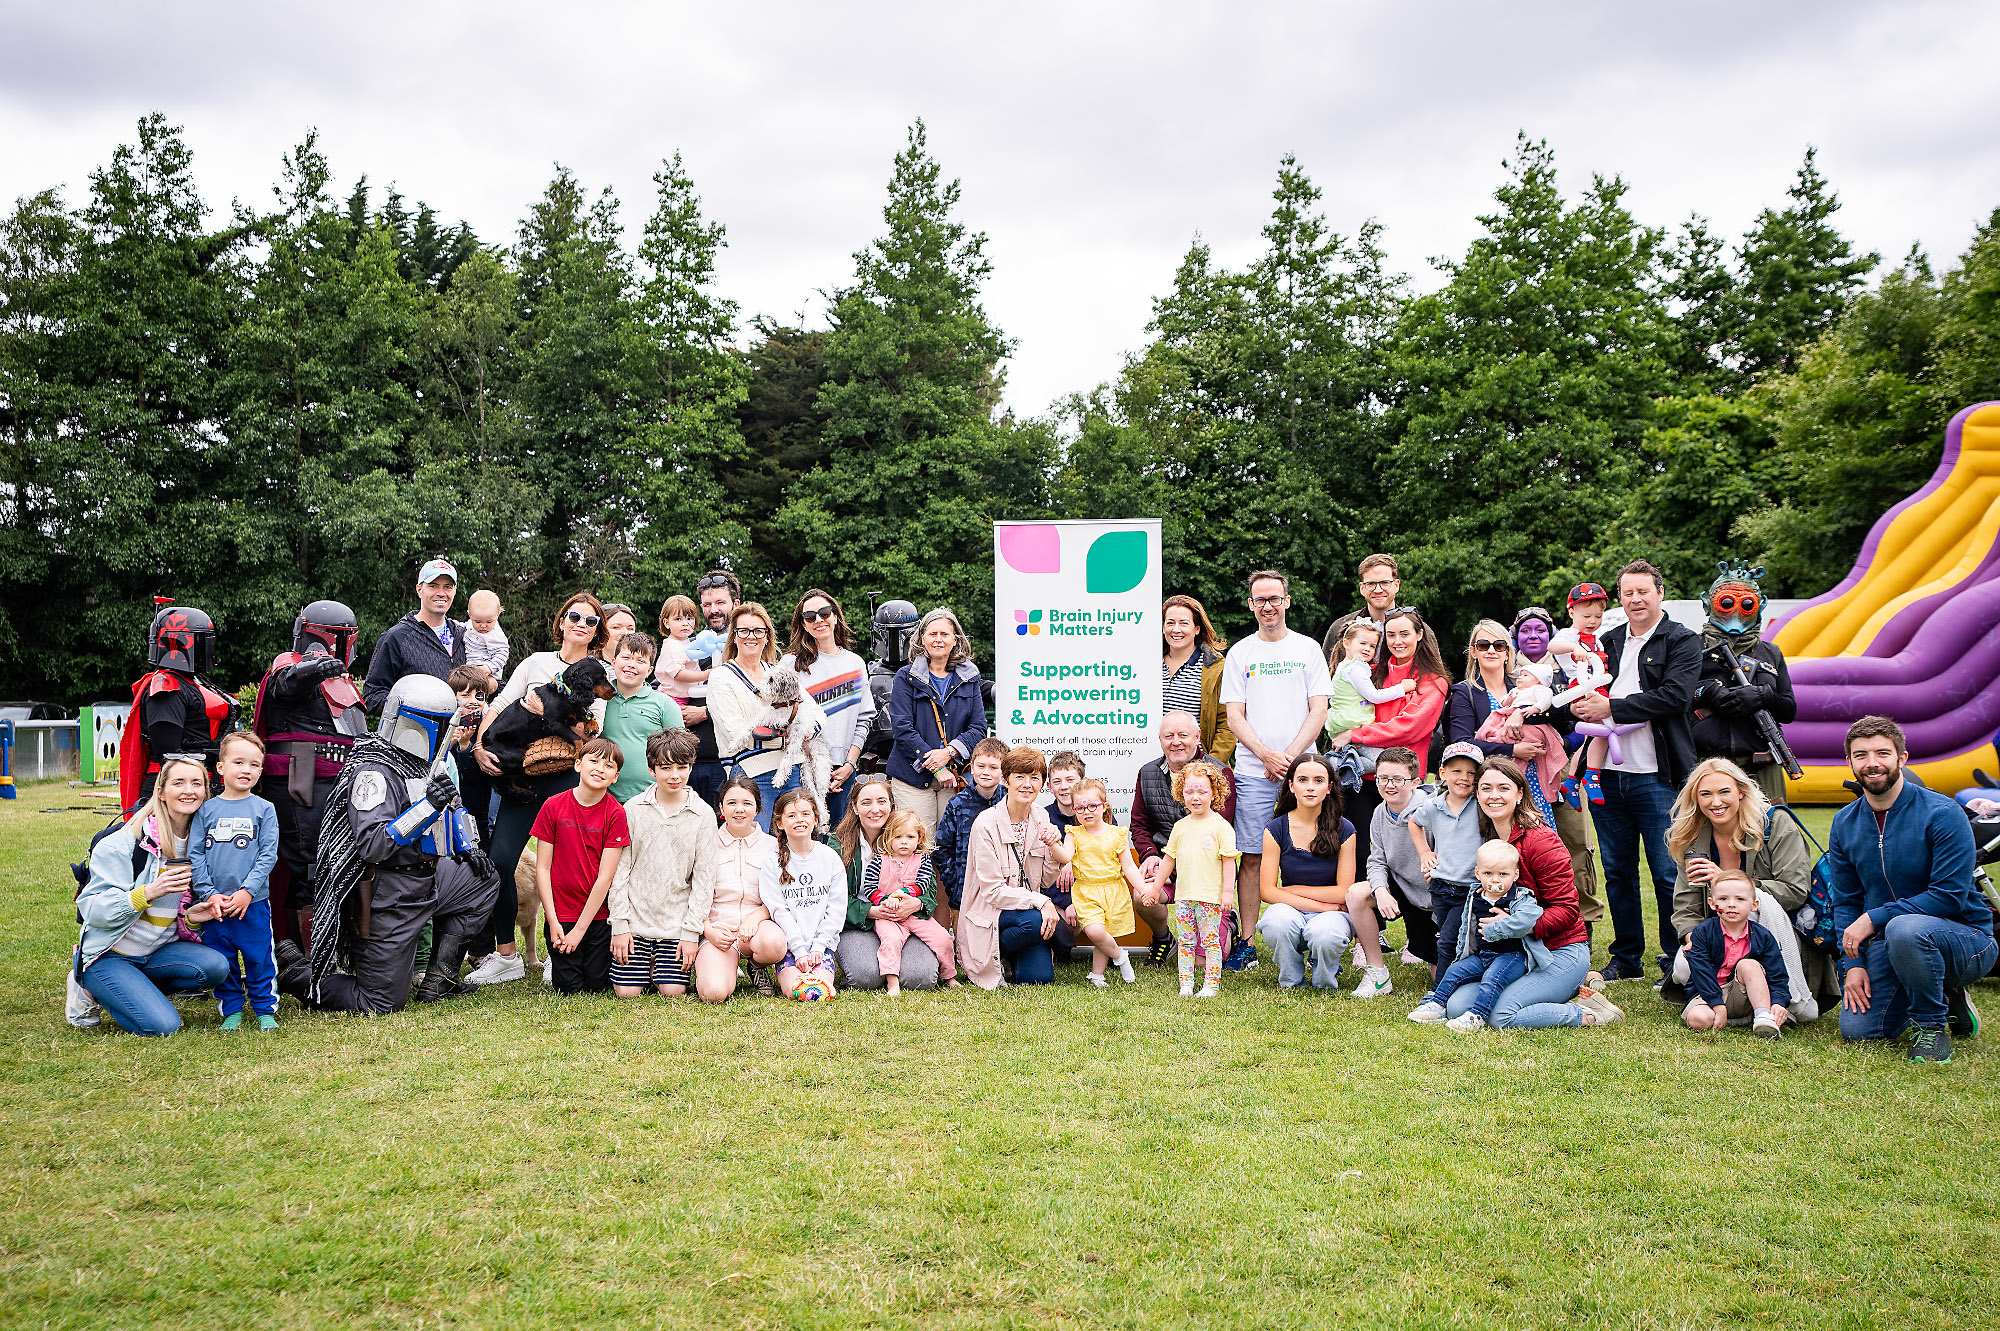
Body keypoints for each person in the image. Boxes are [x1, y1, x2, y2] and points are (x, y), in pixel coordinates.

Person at [281, 675, 499, 1013]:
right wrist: (427, 807)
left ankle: (440, 980)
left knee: (481, 880)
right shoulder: (372, 770)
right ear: (413, 721)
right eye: (438, 724)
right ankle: (301, 975)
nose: (443, 732)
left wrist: (468, 844)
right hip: (386, 893)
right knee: (380, 1001)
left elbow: (453, 806)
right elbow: (374, 845)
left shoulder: (420, 763)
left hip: (427, 877)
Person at [1829, 716, 1997, 1063]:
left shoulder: (1943, 813)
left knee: (1904, 927)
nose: (1871, 763)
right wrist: (1853, 964)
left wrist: (1874, 918)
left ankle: (1931, 1026)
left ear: (1902, 758)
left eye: (1882, 753)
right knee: (1859, 1032)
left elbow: (1949, 896)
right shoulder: (1844, 821)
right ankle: (1940, 990)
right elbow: (1846, 899)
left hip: (1966, 940)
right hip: (1894, 944)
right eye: (1860, 755)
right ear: (1850, 762)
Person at [463, 591, 610, 988]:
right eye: (574, 616)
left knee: (570, 868)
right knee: (500, 861)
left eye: (591, 620)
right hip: (522, 778)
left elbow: (591, 731)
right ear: (562, 621)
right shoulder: (535, 662)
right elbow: (500, 704)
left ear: (598, 631)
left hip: (565, 777)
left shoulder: (599, 671)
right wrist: (479, 746)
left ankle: (558, 951)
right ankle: (507, 956)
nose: (581, 624)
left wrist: (545, 710)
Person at [1567, 561, 1702, 984]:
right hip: (1604, 772)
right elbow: (1585, 683)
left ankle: (1672, 957)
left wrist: (1612, 708)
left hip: (1657, 775)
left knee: (1666, 871)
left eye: (1643, 591)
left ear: (1660, 593)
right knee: (1618, 870)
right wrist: (1579, 705)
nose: (1635, 599)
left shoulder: (1682, 641)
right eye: (1627, 593)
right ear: (1619, 598)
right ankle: (1626, 957)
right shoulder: (1607, 639)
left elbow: (1676, 697)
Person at [1449, 758, 1622, 1029]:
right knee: (1457, 1006)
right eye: (1486, 788)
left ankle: (1588, 1013)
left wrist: (1513, 926)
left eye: (1503, 788)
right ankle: (1554, 994)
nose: (1494, 796)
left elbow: (1567, 910)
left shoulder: (1541, 841)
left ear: (1519, 794)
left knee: (1499, 1017)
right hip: (1513, 955)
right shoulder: (1486, 838)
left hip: (1559, 949)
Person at [1220, 570, 1333, 971]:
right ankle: (1247, 943)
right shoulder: (1240, 653)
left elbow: (1319, 709)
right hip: (1254, 772)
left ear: (1287, 600)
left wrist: (1289, 758)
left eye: (1274, 598)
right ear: (1251, 605)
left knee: (1318, 851)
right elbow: (1234, 715)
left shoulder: (1307, 649)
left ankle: (1321, 934)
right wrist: (1267, 756)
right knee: (1251, 857)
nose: (1268, 606)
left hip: (1305, 771)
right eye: (1259, 600)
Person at [73, 756, 231, 1035]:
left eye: (197, 783)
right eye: (178, 783)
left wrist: (195, 915)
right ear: (161, 791)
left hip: (158, 951)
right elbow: (93, 910)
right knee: (163, 1026)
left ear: (206, 791)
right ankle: (88, 987)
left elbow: (181, 912)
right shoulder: (123, 843)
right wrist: (148, 892)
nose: (188, 790)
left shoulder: (205, 843)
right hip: (111, 953)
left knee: (215, 967)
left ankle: (133, 987)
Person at [1664, 757, 1822, 1019]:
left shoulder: (1775, 823)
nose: (1716, 802)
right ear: (1696, 799)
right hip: (1717, 935)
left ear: (1741, 791)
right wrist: (1694, 939)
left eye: (1724, 792)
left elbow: (1795, 891)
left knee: (1752, 909)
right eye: (1706, 794)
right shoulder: (1692, 837)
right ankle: (1735, 998)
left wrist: (1725, 879)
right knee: (1682, 966)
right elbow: (1686, 905)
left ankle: (1772, 997)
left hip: (1774, 932)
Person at [250, 599, 367, 945]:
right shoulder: (290, 666)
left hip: (335, 782)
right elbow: (288, 683)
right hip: (301, 785)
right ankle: (309, 959)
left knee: (331, 865)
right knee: (310, 868)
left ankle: (324, 951)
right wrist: (317, 665)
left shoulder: (342, 681)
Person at [1504, 605, 1605, 938]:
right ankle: (1537, 919)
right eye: (1526, 630)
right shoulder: (1509, 675)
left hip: (1563, 770)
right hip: (1518, 775)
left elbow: (1584, 719)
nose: (1534, 636)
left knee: (1575, 843)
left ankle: (1583, 919)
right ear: (1516, 637)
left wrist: (1558, 742)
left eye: (1541, 630)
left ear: (1551, 635)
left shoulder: (1569, 668)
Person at [1325, 607, 1450, 875]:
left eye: (1405, 633)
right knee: (1357, 853)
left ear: (1419, 635)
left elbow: (1409, 727)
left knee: (1408, 857)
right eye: (1391, 635)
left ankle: (1416, 913)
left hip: (1402, 781)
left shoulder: (1432, 681)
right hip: (1360, 777)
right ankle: (1363, 914)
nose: (1397, 641)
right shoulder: (1370, 674)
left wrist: (1357, 734)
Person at [609, 729, 715, 1000]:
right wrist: (620, 926)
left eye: (682, 767)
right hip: (636, 920)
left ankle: (659, 965)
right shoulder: (632, 809)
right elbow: (620, 870)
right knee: (626, 993)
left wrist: (691, 933)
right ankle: (643, 965)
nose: (675, 775)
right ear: (651, 769)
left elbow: (704, 879)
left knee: (673, 991)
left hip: (676, 923)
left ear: (691, 767)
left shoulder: (702, 814)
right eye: (666, 768)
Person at [188, 732, 280, 1031]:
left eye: (254, 764)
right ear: (220, 768)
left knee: (258, 957)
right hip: (215, 907)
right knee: (223, 959)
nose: (246, 770)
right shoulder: (206, 810)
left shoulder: (264, 809)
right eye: (238, 762)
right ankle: (231, 1010)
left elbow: (268, 856)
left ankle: (265, 1009)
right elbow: (196, 855)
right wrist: (209, 894)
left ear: (261, 771)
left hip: (251, 904)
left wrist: (247, 892)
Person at [1128, 712, 1236, 964]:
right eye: (1169, 736)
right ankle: (1164, 939)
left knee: (1203, 962)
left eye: (1183, 735)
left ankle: (1227, 925)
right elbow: (1139, 825)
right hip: (1167, 865)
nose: (1176, 741)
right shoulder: (1147, 773)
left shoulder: (1220, 773)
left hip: (1206, 872)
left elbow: (1221, 831)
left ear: (1197, 737)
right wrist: (1151, 856)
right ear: (1160, 740)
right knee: (1141, 895)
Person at [960, 747, 1071, 990]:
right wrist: (1041, 902)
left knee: (1039, 979)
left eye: (1034, 777)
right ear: (1005, 779)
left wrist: (1053, 847)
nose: (1027, 784)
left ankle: (1010, 957)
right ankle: (994, 953)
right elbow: (992, 893)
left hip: (1025, 911)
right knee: (1033, 922)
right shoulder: (986, 824)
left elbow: (1046, 880)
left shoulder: (1041, 816)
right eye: (1019, 776)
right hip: (993, 912)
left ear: (1043, 783)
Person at [1408, 840, 1548, 1032]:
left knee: (1492, 979)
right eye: (1488, 873)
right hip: (1484, 954)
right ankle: (1438, 1004)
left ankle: (1477, 1015)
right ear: (1477, 873)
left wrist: (1502, 925)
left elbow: (1530, 919)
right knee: (1455, 971)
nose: (1495, 880)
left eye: (1503, 874)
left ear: (1515, 875)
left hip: (1512, 956)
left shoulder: (1519, 897)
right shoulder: (1476, 895)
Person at [1690, 561, 1798, 807]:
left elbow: (1789, 710)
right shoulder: (1690, 648)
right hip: (1706, 765)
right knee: (1705, 841)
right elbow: (1673, 699)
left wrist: (1765, 696)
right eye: (1726, 602)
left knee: (1769, 833)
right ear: (1708, 603)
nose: (1735, 610)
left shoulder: (1771, 653)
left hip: (1761, 767)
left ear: (1761, 606)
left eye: (1747, 603)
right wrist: (1706, 692)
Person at [709, 601, 824, 832]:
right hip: (750, 774)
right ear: (733, 635)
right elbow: (735, 734)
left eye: (758, 631)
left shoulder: (778, 673)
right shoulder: (721, 677)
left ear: (767, 636)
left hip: (793, 769)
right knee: (754, 848)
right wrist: (790, 738)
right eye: (743, 630)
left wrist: (809, 729)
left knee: (796, 848)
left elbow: (816, 712)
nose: (751, 636)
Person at [530, 737, 630, 995]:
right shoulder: (553, 805)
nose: (599, 769)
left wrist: (580, 931)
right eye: (593, 761)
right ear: (578, 765)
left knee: (596, 986)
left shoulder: (615, 813)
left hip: (597, 918)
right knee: (569, 989)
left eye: (608, 766)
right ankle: (557, 960)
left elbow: (605, 878)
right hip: (561, 915)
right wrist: (552, 921)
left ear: (615, 777)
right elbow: (542, 868)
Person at [1255, 754, 1358, 991]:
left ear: (1329, 788)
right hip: (1296, 910)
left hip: (1331, 915)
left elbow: (1344, 892)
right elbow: (1267, 892)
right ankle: (1291, 978)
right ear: (1291, 785)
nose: (1310, 787)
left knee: (1324, 933)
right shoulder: (1275, 828)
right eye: (1302, 779)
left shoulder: (1345, 829)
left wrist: (1293, 890)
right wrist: (1323, 905)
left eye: (1318, 780)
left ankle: (1324, 980)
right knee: (1275, 921)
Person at [886, 606, 988, 838]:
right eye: (933, 634)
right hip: (912, 777)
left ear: (956, 639)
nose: (938, 639)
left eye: (944, 634)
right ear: (922, 638)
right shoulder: (906, 676)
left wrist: (949, 753)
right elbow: (902, 729)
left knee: (951, 846)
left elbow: (978, 727)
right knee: (918, 843)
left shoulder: (969, 677)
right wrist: (937, 766)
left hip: (954, 778)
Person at [121, 604, 235, 808]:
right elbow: (169, 751)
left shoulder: (191, 682)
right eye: (202, 640)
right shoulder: (166, 685)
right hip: (175, 789)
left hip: (198, 783)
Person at [835, 776, 941, 992]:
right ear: (854, 807)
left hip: (903, 918)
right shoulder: (837, 845)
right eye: (866, 803)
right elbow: (833, 899)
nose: (875, 809)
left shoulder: (908, 838)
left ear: (891, 805)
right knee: (865, 978)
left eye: (882, 801)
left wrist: (917, 904)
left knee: (920, 978)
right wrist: (873, 911)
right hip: (860, 921)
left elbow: (928, 886)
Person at [780, 589, 876, 829]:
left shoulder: (855, 663)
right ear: (802, 624)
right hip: (801, 768)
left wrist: (849, 764)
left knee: (840, 843)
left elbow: (863, 719)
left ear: (835, 616)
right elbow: (780, 718)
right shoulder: (790, 664)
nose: (818, 620)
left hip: (843, 768)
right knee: (804, 840)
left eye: (824, 613)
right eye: (810, 616)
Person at [1348, 746, 1441, 981]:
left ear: (1415, 782)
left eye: (1398, 779)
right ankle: (1377, 973)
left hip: (1433, 899)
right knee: (1357, 893)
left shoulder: (1433, 812)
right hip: (1400, 886)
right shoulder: (1380, 812)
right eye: (1383, 778)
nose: (1389, 785)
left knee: (1440, 979)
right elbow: (1377, 859)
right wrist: (1380, 890)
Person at [698, 776, 786, 1002]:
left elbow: (781, 895)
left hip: (755, 928)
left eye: (747, 803)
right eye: (731, 803)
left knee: (775, 944)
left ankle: (756, 966)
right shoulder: (706, 844)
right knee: (714, 993)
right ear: (721, 807)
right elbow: (691, 894)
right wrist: (708, 930)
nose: (739, 809)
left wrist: (756, 918)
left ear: (757, 807)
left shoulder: (772, 847)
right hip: (719, 930)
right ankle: (724, 966)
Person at [1679, 869, 1790, 1038]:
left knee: (1749, 965)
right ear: (1711, 903)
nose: (1731, 904)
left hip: (1742, 994)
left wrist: (1778, 1002)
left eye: (1740, 899)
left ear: (1754, 905)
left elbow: (1778, 974)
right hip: (1707, 992)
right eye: (1723, 899)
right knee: (1698, 1019)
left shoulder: (1763, 936)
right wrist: (1717, 1005)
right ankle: (1736, 1019)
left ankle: (1762, 1016)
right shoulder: (1703, 932)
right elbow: (1701, 972)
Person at [1162, 759, 1240, 998]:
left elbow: (1229, 862)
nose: (1195, 797)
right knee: (1185, 942)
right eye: (1189, 791)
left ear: (1214, 793)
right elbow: (1169, 860)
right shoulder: (1180, 827)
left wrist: (1227, 893)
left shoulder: (1221, 826)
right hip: (1185, 898)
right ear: (1181, 793)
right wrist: (1156, 887)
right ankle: (1186, 984)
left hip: (1210, 900)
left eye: (1202, 791)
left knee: (1210, 943)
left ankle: (1210, 985)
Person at [1407, 742, 1486, 973]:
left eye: (1471, 773)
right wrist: (1424, 852)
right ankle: (1455, 977)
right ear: (1442, 773)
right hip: (1441, 886)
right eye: (1457, 771)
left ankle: (1439, 988)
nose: (1464, 778)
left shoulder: (1480, 805)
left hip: (1469, 886)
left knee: (1449, 940)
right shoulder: (1434, 806)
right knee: (1447, 935)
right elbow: (1414, 823)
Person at [862, 809, 958, 995]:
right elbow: (870, 888)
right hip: (887, 915)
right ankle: (892, 981)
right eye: (898, 837)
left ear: (919, 838)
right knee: (890, 941)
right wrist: (885, 900)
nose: (904, 841)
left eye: (910, 836)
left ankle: (949, 975)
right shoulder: (878, 862)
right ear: (888, 838)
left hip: (915, 913)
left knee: (943, 938)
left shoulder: (922, 860)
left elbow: (923, 883)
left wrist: (904, 894)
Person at [764, 788, 846, 1000]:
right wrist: (799, 951)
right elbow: (778, 911)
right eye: (791, 815)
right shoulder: (772, 862)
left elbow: (836, 909)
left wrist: (818, 947)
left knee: (823, 992)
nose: (799, 820)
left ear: (815, 819)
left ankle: (822, 967)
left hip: (822, 947)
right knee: (797, 992)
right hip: (791, 947)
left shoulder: (830, 858)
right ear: (780, 823)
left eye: (805, 814)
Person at [362, 558, 470, 711]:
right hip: (415, 733)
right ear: (419, 590)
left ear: (455, 591)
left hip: (462, 733)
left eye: (447, 587)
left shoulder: (465, 635)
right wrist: (412, 710)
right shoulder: (396, 637)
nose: (441, 593)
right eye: (433, 586)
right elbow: (372, 695)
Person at [1065, 778, 1142, 987]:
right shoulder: (1073, 834)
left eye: (1092, 806)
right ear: (1074, 810)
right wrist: (1053, 843)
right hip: (1086, 891)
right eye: (1080, 808)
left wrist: (1143, 889)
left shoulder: (1117, 834)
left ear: (1104, 806)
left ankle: (1097, 974)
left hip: (1113, 889)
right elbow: (1065, 856)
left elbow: (1129, 867)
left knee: (1102, 933)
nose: (1087, 812)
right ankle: (1120, 956)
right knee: (1095, 931)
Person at [1323, 618, 1412, 790]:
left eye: (1372, 646)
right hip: (1353, 723)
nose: (1367, 649)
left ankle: (1345, 761)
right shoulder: (1354, 668)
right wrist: (1402, 688)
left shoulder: (1345, 666)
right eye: (1362, 643)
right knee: (1381, 760)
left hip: (1346, 721)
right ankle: (1343, 768)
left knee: (1380, 760)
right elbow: (1374, 696)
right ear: (1346, 643)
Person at [932, 737, 1010, 929]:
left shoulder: (1009, 803)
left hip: (1001, 891)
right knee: (967, 951)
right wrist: (954, 884)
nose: (986, 772)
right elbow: (941, 849)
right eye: (981, 766)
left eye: (993, 767)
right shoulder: (957, 804)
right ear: (972, 767)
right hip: (964, 893)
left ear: (1003, 772)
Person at [600, 631, 683, 803]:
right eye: (626, 658)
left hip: (651, 798)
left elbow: (680, 753)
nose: (632, 665)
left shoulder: (664, 704)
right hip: (603, 796)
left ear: (649, 670)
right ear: (614, 662)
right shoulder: (599, 700)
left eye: (641, 661)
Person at [684, 570, 742, 807]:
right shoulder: (689, 648)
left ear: (735, 604)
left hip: (729, 761)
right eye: (707, 604)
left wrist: (705, 712)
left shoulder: (747, 646)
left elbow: (753, 699)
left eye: (720, 602)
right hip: (688, 763)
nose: (713, 610)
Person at [1160, 595, 1237, 766]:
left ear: (1196, 629)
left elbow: (1227, 725)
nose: (1176, 629)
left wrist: (1208, 767)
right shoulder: (1149, 667)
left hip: (1200, 772)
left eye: (1184, 623)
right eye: (1170, 623)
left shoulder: (1217, 669)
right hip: (1157, 770)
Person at [445, 664, 498, 851]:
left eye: (479, 695)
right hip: (448, 812)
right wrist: (451, 743)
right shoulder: (444, 725)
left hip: (477, 810)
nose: (473, 701)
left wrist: (466, 746)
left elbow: (476, 775)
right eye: (465, 695)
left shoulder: (488, 729)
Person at [1320, 552, 1405, 661]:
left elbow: (1432, 672)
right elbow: (1324, 674)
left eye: (1384, 583)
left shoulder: (1414, 629)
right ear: (1362, 588)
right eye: (1371, 584)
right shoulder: (1340, 628)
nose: (1378, 590)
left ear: (1396, 585)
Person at [653, 594, 705, 705]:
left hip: (687, 696)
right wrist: (706, 675)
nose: (685, 623)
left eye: (690, 618)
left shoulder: (687, 643)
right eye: (678, 619)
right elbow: (679, 674)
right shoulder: (671, 646)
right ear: (667, 623)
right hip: (672, 698)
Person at [463, 589, 510, 682]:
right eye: (478, 621)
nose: (483, 626)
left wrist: (489, 668)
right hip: (470, 670)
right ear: (470, 615)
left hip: (487, 673)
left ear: (497, 615)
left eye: (489, 622)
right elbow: (465, 627)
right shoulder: (470, 624)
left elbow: (502, 653)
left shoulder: (495, 634)